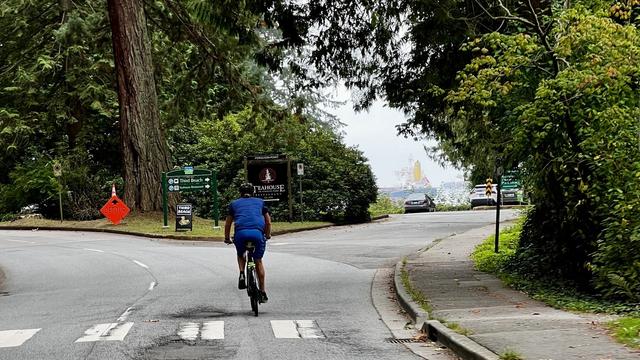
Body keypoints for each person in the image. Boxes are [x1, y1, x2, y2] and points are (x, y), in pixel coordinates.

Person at [224, 182, 271, 302]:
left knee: (241, 254)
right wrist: (268, 234)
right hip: (257, 233)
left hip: (241, 234)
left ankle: (241, 273)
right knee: (258, 261)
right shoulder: (260, 202)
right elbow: (268, 222)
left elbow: (228, 223)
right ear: (253, 192)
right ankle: (263, 292)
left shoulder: (234, 204)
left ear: (240, 193)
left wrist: (227, 238)